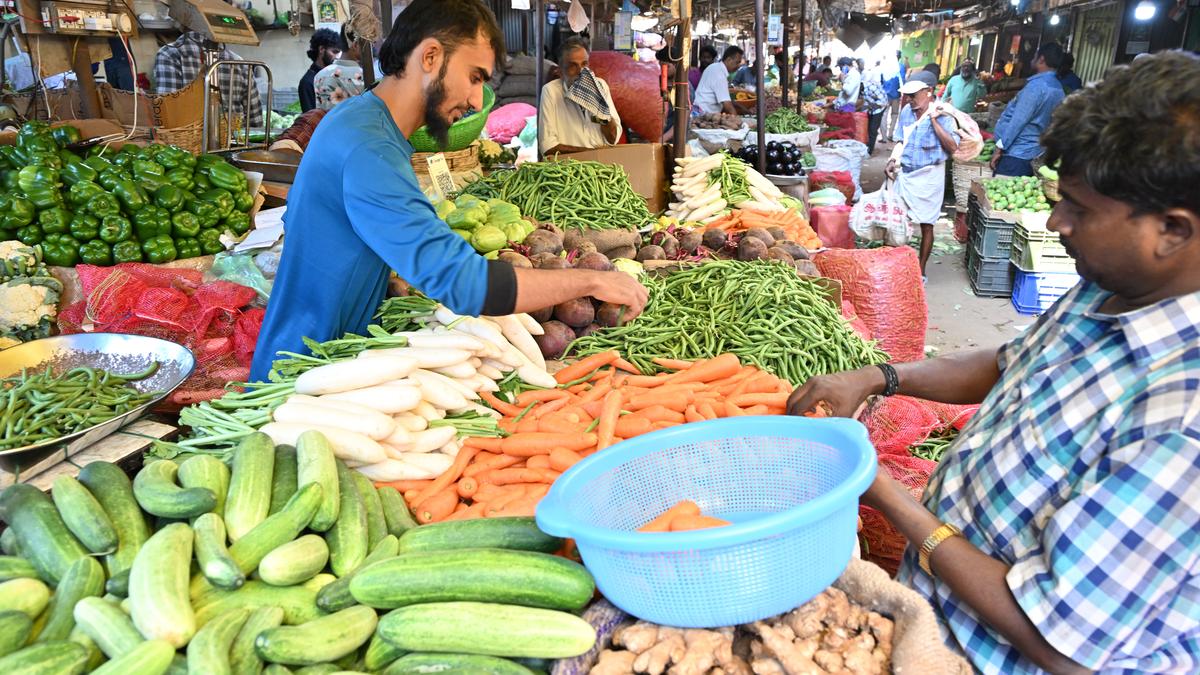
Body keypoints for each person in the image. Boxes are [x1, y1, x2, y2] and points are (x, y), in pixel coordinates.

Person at [789, 51, 1200, 674]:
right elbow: (1012, 363)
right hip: (936, 624)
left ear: (1171, 230)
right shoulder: (1110, 289)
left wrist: (883, 494)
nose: (1056, 221)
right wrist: (881, 375)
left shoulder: (1185, 417)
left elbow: (1061, 643)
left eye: (1080, 209)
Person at [250, 0, 647, 382]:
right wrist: (592, 281)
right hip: (302, 377)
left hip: (327, 360)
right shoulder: (368, 147)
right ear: (430, 57)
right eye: (474, 77)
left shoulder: (365, 123)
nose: (477, 101)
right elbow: (463, 282)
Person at [886, 70, 960, 277]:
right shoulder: (907, 112)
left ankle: (921, 270)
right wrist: (893, 159)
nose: (909, 99)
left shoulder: (945, 114)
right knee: (897, 221)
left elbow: (953, 147)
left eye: (913, 95)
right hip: (907, 173)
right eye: (908, 95)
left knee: (927, 224)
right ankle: (895, 266)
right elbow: (901, 139)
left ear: (929, 92)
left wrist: (934, 121)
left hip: (930, 176)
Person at [154, 31, 263, 127]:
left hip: (188, 145)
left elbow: (167, 113)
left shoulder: (170, 54)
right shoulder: (239, 62)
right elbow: (255, 120)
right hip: (234, 144)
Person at [991, 42, 1067, 177]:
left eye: (1035, 56)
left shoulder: (1036, 87)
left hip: (1016, 155)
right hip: (1035, 153)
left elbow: (1018, 121)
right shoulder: (1058, 89)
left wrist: (999, 149)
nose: (1032, 59)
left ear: (1041, 59)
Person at [538, 37, 621, 155]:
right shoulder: (551, 91)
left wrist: (600, 109)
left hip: (602, 165)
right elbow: (547, 147)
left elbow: (613, 138)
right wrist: (592, 154)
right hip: (570, 167)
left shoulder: (600, 86)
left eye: (584, 64)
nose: (581, 72)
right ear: (560, 71)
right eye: (573, 66)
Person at [314, 25, 366, 110]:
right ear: (355, 45)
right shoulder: (366, 75)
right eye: (369, 45)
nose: (372, 49)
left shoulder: (320, 75)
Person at [300, 28, 341, 112]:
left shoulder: (336, 75)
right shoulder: (308, 82)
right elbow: (310, 118)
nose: (337, 57)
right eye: (334, 52)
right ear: (321, 49)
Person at [694, 45, 743, 115]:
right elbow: (727, 105)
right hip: (703, 113)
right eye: (737, 62)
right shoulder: (719, 73)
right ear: (729, 60)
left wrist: (745, 110)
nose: (738, 66)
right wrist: (739, 123)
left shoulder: (715, 67)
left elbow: (727, 101)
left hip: (701, 111)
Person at [861, 67, 889, 155]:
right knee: (869, 128)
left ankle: (870, 151)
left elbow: (883, 101)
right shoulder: (862, 89)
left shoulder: (871, 87)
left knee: (873, 129)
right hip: (871, 109)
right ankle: (868, 147)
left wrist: (872, 105)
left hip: (879, 109)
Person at [882, 58, 902, 142]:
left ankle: (884, 137)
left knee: (884, 115)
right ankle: (890, 134)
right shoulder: (898, 71)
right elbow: (902, 83)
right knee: (894, 115)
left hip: (885, 97)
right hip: (896, 96)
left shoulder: (884, 71)